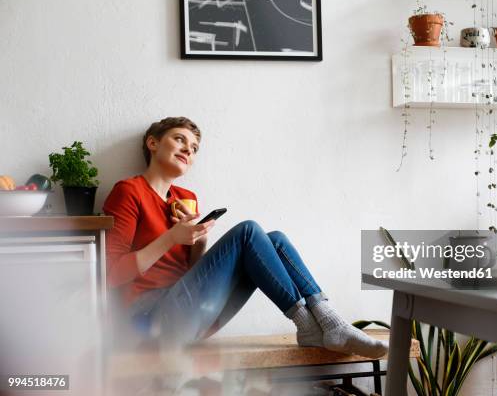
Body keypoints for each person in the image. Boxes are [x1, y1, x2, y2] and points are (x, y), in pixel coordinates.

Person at [103, 116, 388, 358]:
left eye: (194, 148)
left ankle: (322, 322)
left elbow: (190, 276)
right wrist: (170, 238)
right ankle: (316, 325)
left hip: (190, 315)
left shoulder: (185, 199)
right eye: (179, 140)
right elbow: (111, 274)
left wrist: (198, 241)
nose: (188, 150)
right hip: (149, 321)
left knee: (274, 239)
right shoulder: (129, 191)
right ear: (152, 143)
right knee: (249, 231)